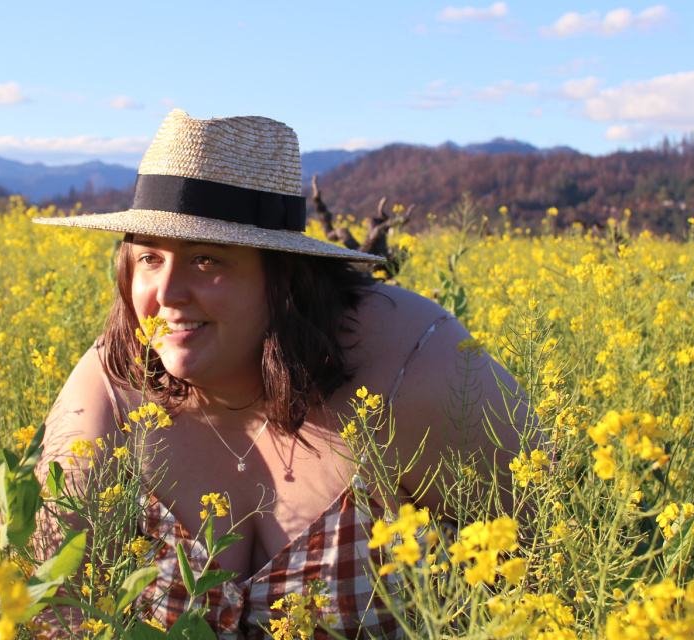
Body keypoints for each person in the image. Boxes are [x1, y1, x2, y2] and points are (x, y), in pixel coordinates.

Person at [32, 109, 531, 639]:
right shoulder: (110, 387)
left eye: (206, 260)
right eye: (149, 259)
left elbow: (543, 566)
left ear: (282, 275)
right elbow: (47, 607)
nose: (167, 295)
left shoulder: (417, 369)